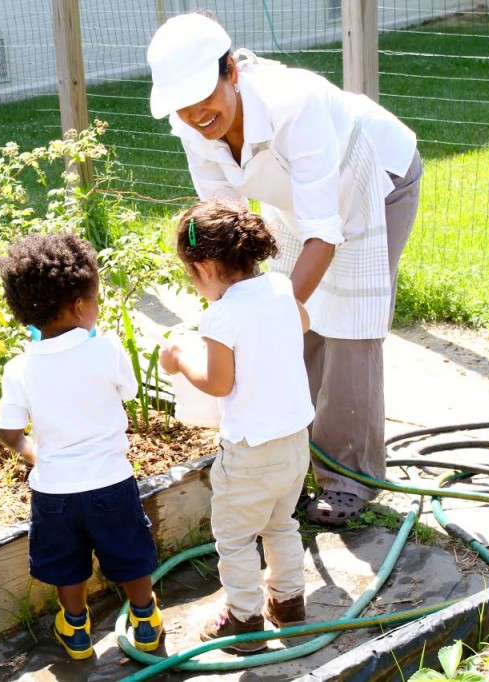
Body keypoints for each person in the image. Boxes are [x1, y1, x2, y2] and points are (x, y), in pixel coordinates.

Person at [147, 12, 423, 526]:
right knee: (298, 321)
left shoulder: (296, 103)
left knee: (347, 329)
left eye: (202, 97)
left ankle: (348, 478)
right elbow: (227, 222)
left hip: (372, 177)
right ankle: (293, 459)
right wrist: (243, 313)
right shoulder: (193, 125)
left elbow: (326, 229)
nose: (194, 113)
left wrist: (268, 316)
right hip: (299, 201)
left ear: (231, 70)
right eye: (182, 106)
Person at [0, 231, 163, 660]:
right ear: (79, 305)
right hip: (110, 483)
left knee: (67, 563)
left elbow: (9, 432)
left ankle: (75, 629)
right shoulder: (105, 349)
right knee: (128, 553)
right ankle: (145, 619)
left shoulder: (19, 367)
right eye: (96, 298)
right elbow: (126, 392)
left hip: (54, 492)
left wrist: (35, 454)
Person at [160, 199, 313, 651]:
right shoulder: (282, 288)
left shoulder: (222, 315)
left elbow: (218, 381)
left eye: (190, 275)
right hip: (294, 442)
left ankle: (244, 621)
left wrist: (182, 358)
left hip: (249, 451)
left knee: (237, 537)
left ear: (205, 267)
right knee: (281, 523)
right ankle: (288, 604)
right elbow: (302, 322)